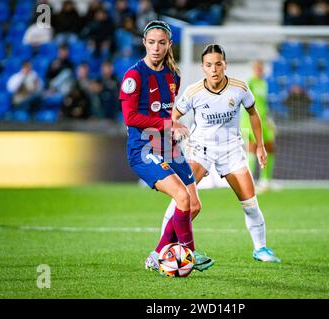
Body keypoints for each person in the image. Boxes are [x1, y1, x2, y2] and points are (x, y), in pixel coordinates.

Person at [162, 44, 281, 263]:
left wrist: (261, 146)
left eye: (218, 64)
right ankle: (163, 248)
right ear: (202, 68)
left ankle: (260, 249)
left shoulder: (240, 88)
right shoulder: (193, 92)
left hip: (231, 150)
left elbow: (253, 113)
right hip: (200, 150)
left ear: (224, 65)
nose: (214, 69)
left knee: (251, 203)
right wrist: (175, 128)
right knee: (182, 199)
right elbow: (172, 116)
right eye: (209, 65)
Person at [118, 20, 214, 273]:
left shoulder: (174, 75)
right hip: (144, 149)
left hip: (169, 147)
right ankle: (189, 254)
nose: (156, 48)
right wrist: (167, 124)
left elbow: (169, 112)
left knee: (194, 205)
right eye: (151, 43)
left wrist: (175, 128)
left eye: (162, 43)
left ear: (169, 44)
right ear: (144, 43)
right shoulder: (134, 76)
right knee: (181, 197)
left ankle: (158, 255)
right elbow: (130, 118)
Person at [240, 60, 279, 192]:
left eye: (261, 69)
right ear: (253, 69)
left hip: (263, 120)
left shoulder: (264, 83)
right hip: (250, 121)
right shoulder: (249, 82)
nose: (259, 71)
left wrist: (269, 121)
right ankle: (250, 183)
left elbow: (264, 104)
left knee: (270, 147)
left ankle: (265, 181)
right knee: (252, 148)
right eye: (257, 68)